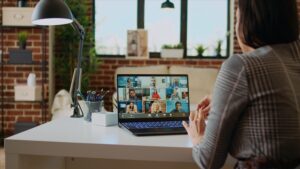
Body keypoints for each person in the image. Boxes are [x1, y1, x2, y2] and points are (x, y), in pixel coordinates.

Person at [182, 0, 300, 168]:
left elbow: (208, 160)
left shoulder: (240, 66)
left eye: (237, 19)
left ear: (248, 22)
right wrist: (221, 99)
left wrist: (198, 136)